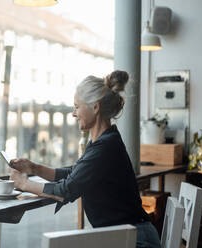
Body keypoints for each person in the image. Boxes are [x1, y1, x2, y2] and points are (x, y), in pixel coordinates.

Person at [10, 71, 161, 248]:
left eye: (76, 107)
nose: (73, 114)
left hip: (135, 241)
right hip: (126, 237)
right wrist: (34, 168)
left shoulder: (105, 147)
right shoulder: (104, 141)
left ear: (95, 107)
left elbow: (67, 189)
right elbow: (76, 174)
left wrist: (23, 184)